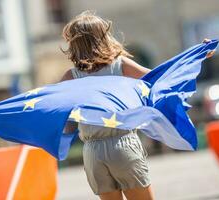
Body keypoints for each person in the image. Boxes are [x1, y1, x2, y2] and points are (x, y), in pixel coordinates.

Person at [59, 11, 153, 200]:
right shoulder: (119, 65)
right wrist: (196, 56)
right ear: (103, 38)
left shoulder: (70, 77)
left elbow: (48, 105)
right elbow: (157, 78)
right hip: (122, 144)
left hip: (93, 153)